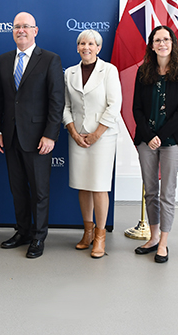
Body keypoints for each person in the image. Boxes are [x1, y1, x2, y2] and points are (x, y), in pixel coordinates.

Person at [0, 12, 64, 259]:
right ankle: (22, 231)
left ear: (36, 30)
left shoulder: (50, 60)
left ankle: (38, 236)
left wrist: (50, 135)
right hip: (10, 137)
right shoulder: (3, 60)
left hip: (38, 139)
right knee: (18, 189)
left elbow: (57, 101)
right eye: (16, 27)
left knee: (40, 191)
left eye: (26, 26)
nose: (21, 30)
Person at [132, 26, 178, 263]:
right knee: (150, 190)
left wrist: (161, 134)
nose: (162, 43)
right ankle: (153, 236)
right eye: (157, 40)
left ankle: (164, 242)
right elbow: (136, 108)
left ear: (172, 44)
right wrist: (149, 135)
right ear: (152, 44)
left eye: (166, 39)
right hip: (147, 139)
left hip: (172, 140)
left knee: (167, 192)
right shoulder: (143, 72)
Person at [62, 30, 121, 259]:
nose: (86, 47)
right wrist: (74, 132)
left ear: (98, 47)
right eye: (82, 43)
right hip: (77, 136)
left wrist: (96, 134)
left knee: (99, 186)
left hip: (103, 137)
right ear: (77, 47)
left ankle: (100, 236)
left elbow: (114, 106)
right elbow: (65, 106)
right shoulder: (70, 72)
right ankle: (87, 233)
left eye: (91, 43)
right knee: (83, 185)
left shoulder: (109, 70)